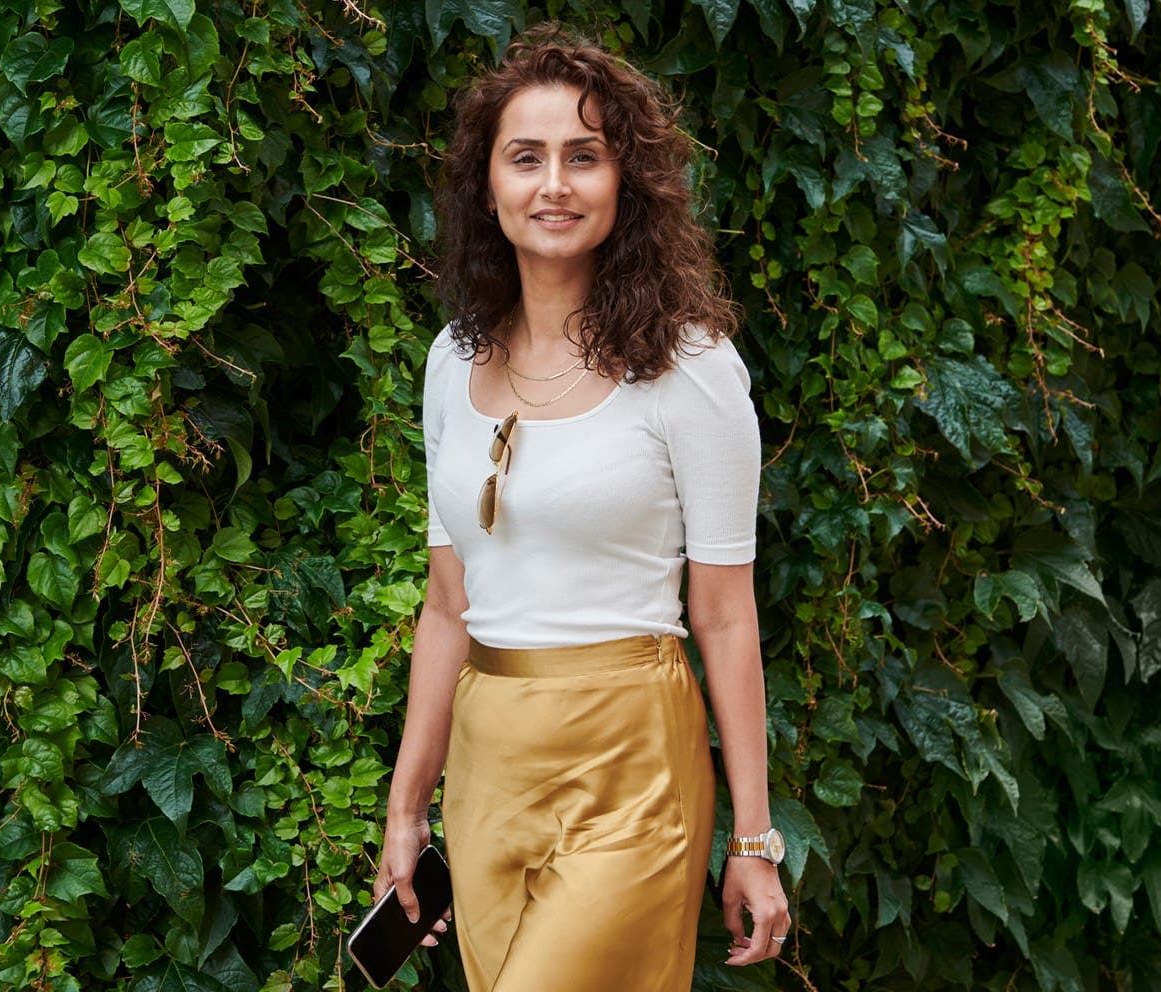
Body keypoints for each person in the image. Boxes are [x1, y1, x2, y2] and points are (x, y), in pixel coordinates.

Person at [372, 25, 791, 991]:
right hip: (487, 764)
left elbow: (724, 615)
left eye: (584, 156)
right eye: (526, 157)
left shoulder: (691, 369)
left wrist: (755, 838)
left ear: (624, 182)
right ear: (488, 186)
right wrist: (407, 808)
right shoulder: (449, 362)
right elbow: (446, 604)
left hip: (630, 761)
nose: (553, 183)